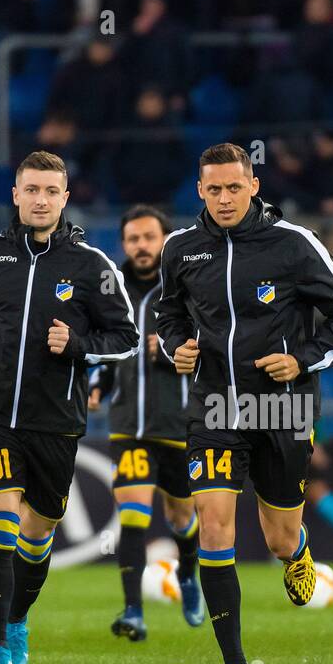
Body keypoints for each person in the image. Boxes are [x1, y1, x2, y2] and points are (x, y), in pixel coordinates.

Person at [154, 142, 333, 664]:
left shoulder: (294, 244)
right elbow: (167, 311)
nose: (224, 198)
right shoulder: (181, 248)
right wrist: (176, 344)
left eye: (233, 187)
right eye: (213, 189)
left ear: (254, 187)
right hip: (216, 407)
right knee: (215, 522)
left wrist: (303, 357)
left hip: (284, 408)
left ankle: (297, 554)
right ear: (200, 191)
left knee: (278, 535)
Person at [0, 150, 138, 664]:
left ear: (65, 199)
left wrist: (79, 345)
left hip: (56, 424)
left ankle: (18, 619)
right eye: (31, 190)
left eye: (50, 191)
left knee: (37, 534)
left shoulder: (91, 266)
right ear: (16, 195)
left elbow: (126, 338)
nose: (40, 200)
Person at [88, 204, 204, 640]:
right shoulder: (109, 289)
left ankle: (188, 575)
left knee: (181, 517)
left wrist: (176, 349)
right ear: (124, 244)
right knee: (133, 514)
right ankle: (133, 610)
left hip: (179, 424)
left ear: (164, 240)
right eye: (133, 239)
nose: (141, 246)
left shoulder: (185, 288)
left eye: (148, 238)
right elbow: (101, 348)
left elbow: (214, 343)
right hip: (128, 426)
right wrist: (97, 383)